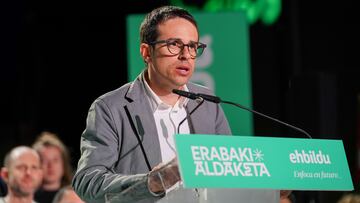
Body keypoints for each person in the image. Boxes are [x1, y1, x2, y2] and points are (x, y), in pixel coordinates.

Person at [72, 5, 231, 203]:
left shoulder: (206, 101)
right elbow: (88, 182)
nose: (185, 55)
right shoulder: (110, 108)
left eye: (192, 46)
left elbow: (228, 172)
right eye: (174, 44)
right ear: (147, 52)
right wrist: (152, 182)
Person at [32, 132, 73, 203]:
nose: (51, 166)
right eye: (44, 160)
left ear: (63, 164)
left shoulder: (78, 196)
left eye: (55, 160)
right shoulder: (26, 197)